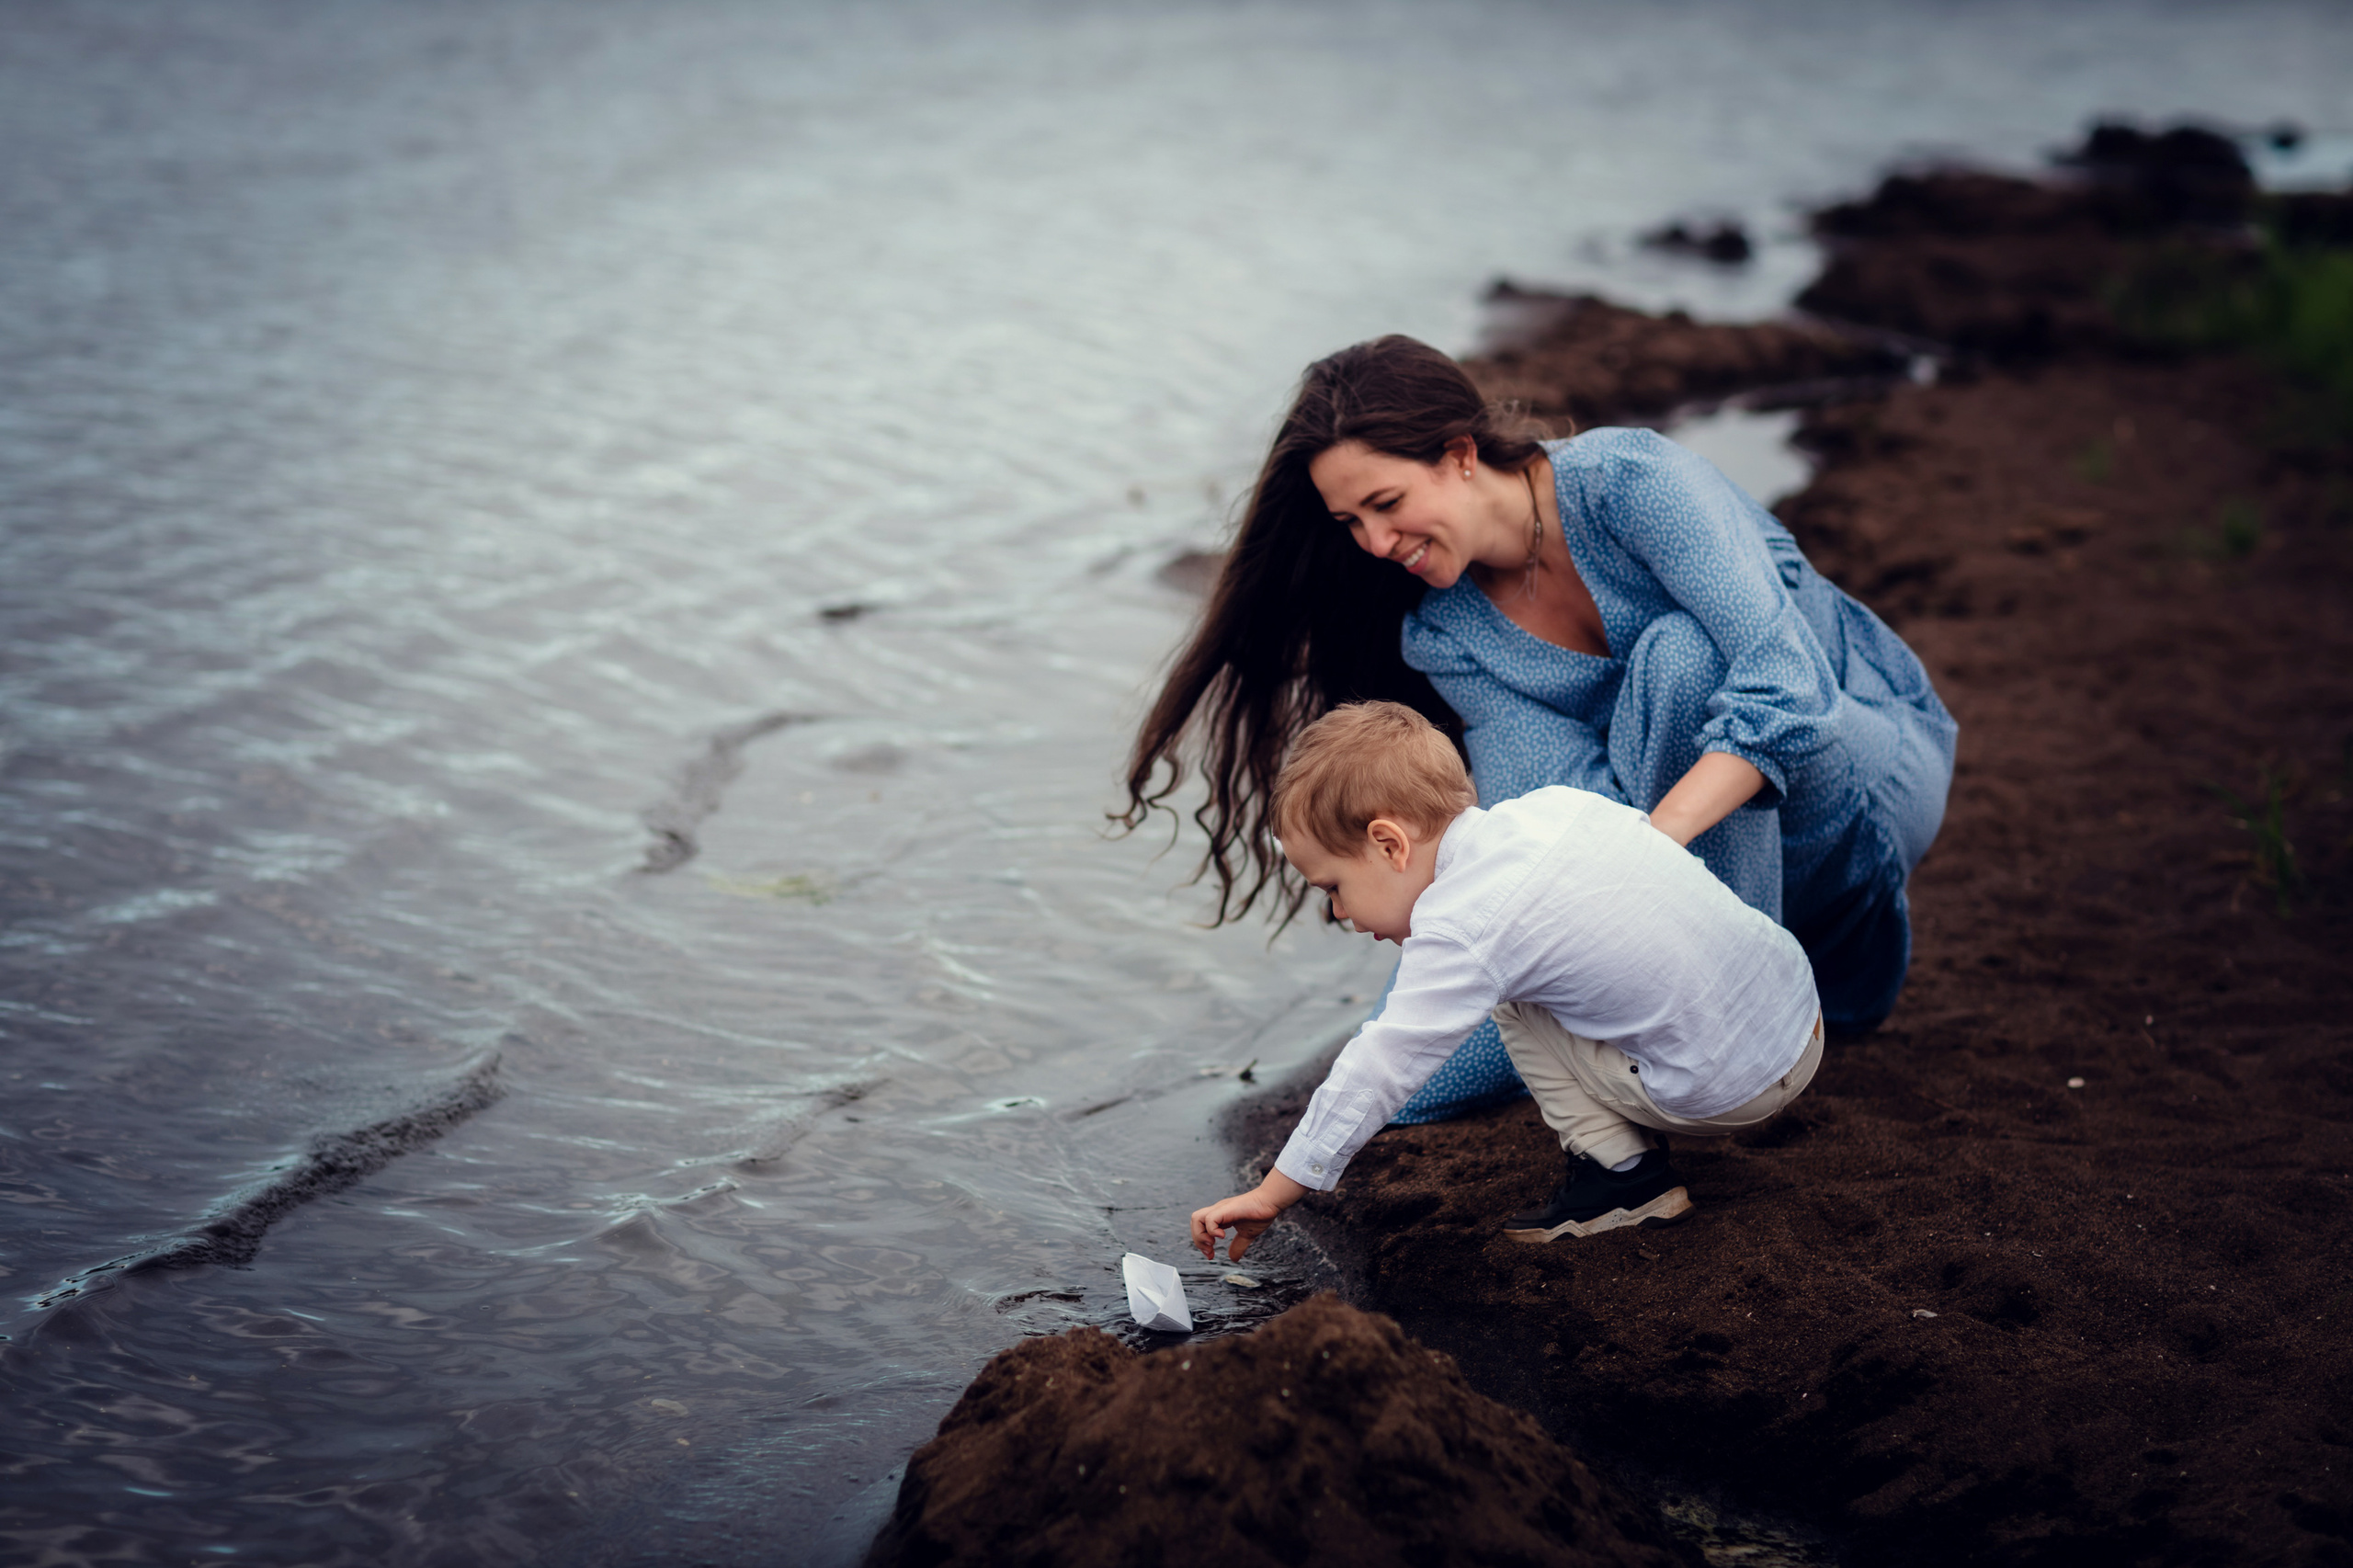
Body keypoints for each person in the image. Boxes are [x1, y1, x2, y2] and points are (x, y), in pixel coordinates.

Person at [1121, 335, 1953, 1124]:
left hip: (1861, 777)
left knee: (1683, 659)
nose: (1375, 543)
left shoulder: (1631, 485)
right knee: (1419, 1079)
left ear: (1460, 453)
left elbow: (1795, 688)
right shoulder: (1448, 634)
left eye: (1386, 503)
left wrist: (1649, 845)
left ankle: (1739, 1021)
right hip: (1710, 863)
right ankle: (1711, 1016)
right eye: (1350, 524)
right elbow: (1543, 842)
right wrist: (1379, 1079)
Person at [1188, 701, 1822, 1257]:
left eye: (1333, 887)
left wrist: (1276, 1192)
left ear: (1389, 845)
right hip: (1802, 1015)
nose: (1338, 913)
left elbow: (1384, 1062)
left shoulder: (1464, 921)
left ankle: (1620, 1173)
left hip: (1732, 1089)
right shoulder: (1554, 806)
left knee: (1510, 998)